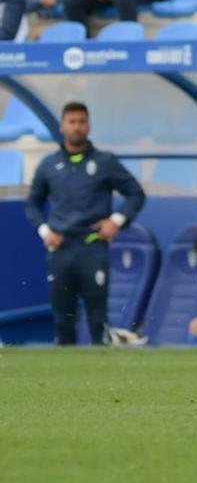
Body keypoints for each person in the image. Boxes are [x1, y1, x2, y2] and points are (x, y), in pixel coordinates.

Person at [24, 101, 146, 345]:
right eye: (72, 122)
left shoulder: (105, 162)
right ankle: (64, 379)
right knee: (62, 319)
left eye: (81, 122)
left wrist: (116, 221)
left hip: (92, 248)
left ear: (88, 127)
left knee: (96, 318)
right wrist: (45, 231)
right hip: (60, 249)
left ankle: (102, 375)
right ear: (62, 127)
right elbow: (32, 204)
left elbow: (136, 194)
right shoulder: (49, 164)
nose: (77, 127)